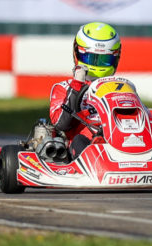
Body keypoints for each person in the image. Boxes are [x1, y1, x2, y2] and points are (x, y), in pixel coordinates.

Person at [49, 22, 122, 158]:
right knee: (80, 141)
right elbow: (61, 124)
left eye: (104, 60)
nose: (96, 64)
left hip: (119, 139)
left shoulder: (120, 87)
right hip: (85, 144)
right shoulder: (64, 88)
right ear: (78, 53)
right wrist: (77, 87)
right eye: (90, 58)